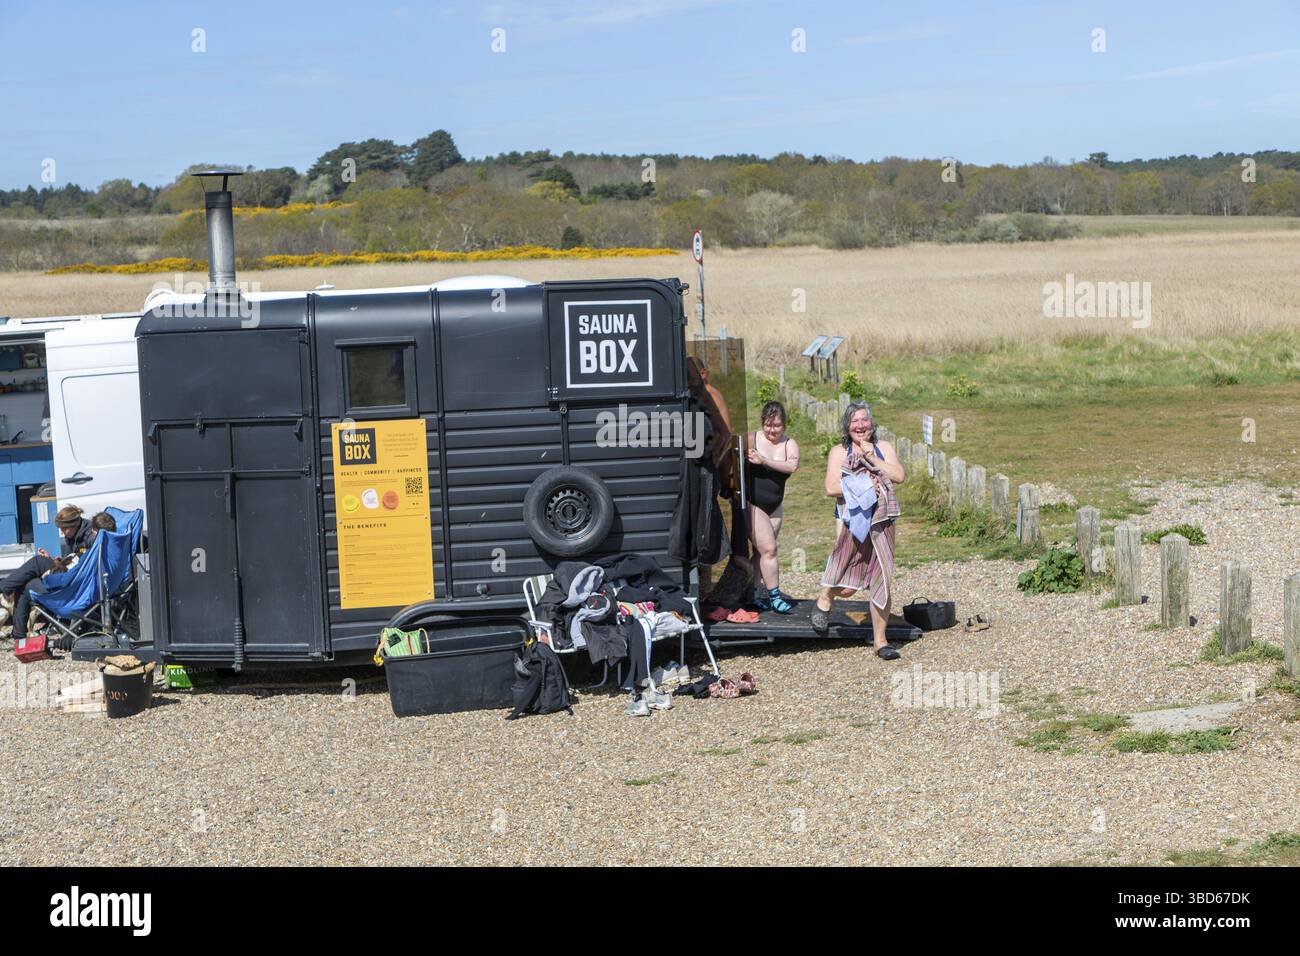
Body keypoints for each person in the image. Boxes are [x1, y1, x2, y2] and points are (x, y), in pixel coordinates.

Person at [811, 402, 906, 659]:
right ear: (847, 426)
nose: (860, 425)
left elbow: (899, 476)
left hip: (882, 520)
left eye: (864, 420)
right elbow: (830, 487)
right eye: (854, 421)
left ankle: (880, 642)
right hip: (850, 520)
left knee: (881, 576)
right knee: (848, 584)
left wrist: (872, 458)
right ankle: (826, 596)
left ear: (872, 424)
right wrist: (864, 486)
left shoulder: (883, 448)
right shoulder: (838, 452)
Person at [2, 508, 116, 641]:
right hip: (75, 578)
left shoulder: (93, 545)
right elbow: (72, 563)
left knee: (28, 580)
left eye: (64, 528)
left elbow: (71, 577)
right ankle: (6, 590)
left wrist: (48, 577)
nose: (62, 532)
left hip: (74, 588)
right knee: (38, 564)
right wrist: (53, 561)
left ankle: (18, 636)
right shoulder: (108, 545)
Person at [746, 400, 799, 613]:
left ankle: (751, 593)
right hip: (753, 504)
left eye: (776, 425)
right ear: (762, 423)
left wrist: (764, 461)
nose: (772, 430)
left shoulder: (789, 444)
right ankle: (775, 596)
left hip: (775, 507)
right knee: (769, 548)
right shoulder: (752, 439)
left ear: (784, 424)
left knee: (761, 553)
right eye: (768, 425)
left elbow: (792, 466)